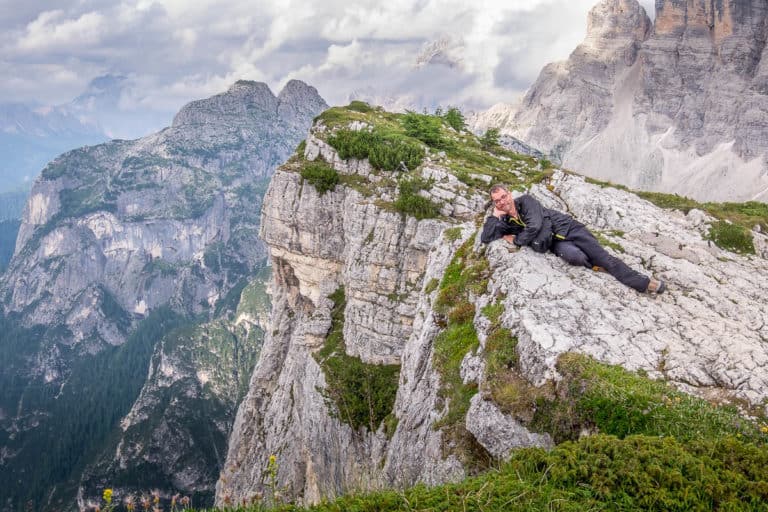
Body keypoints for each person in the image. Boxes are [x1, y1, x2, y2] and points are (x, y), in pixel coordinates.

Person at [481, 184, 665, 294]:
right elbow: (486, 237)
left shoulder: (526, 201)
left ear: (510, 194)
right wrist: (494, 216)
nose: (502, 202)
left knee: (604, 258)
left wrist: (517, 240)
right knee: (575, 258)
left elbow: (535, 226)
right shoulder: (505, 219)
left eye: (503, 197)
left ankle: (645, 283)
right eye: (497, 201)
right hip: (557, 241)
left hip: (570, 229)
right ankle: (595, 265)